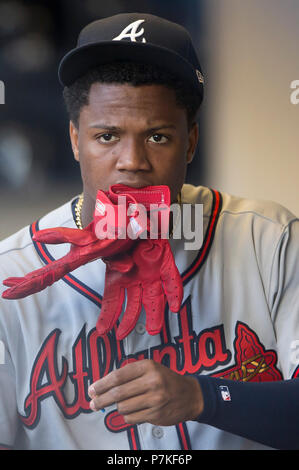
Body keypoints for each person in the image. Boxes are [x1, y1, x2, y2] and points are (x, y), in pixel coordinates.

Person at [0, 12, 299, 451]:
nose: (132, 161)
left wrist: (205, 396)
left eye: (158, 137)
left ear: (191, 142)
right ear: (74, 140)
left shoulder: (267, 241)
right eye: (106, 137)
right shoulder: (12, 273)